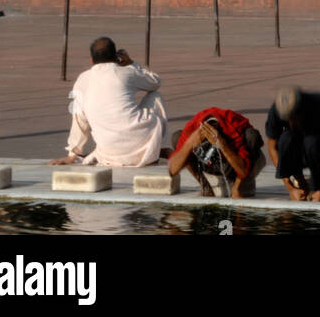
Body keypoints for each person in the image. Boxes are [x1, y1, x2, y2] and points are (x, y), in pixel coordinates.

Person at [49, 36, 167, 168]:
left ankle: (141, 151)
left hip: (109, 152)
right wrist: (131, 64)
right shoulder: (126, 72)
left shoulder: (82, 79)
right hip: (139, 140)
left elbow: (79, 119)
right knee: (155, 96)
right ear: (116, 57)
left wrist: (73, 153)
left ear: (92, 60)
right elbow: (155, 83)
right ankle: (151, 149)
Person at [168, 107, 266, 198]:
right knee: (177, 138)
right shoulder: (193, 128)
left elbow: (243, 171)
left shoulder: (233, 126)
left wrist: (222, 145)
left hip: (238, 164)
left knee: (252, 136)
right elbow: (172, 170)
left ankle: (238, 184)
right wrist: (190, 143)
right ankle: (205, 186)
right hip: (210, 165)